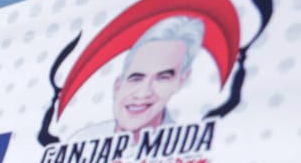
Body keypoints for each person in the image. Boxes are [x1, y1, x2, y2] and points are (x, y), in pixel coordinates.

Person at [72, 16, 204, 140]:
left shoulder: (188, 142)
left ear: (181, 81)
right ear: (117, 85)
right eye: (136, 78)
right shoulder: (82, 140)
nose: (143, 93)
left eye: (162, 78)